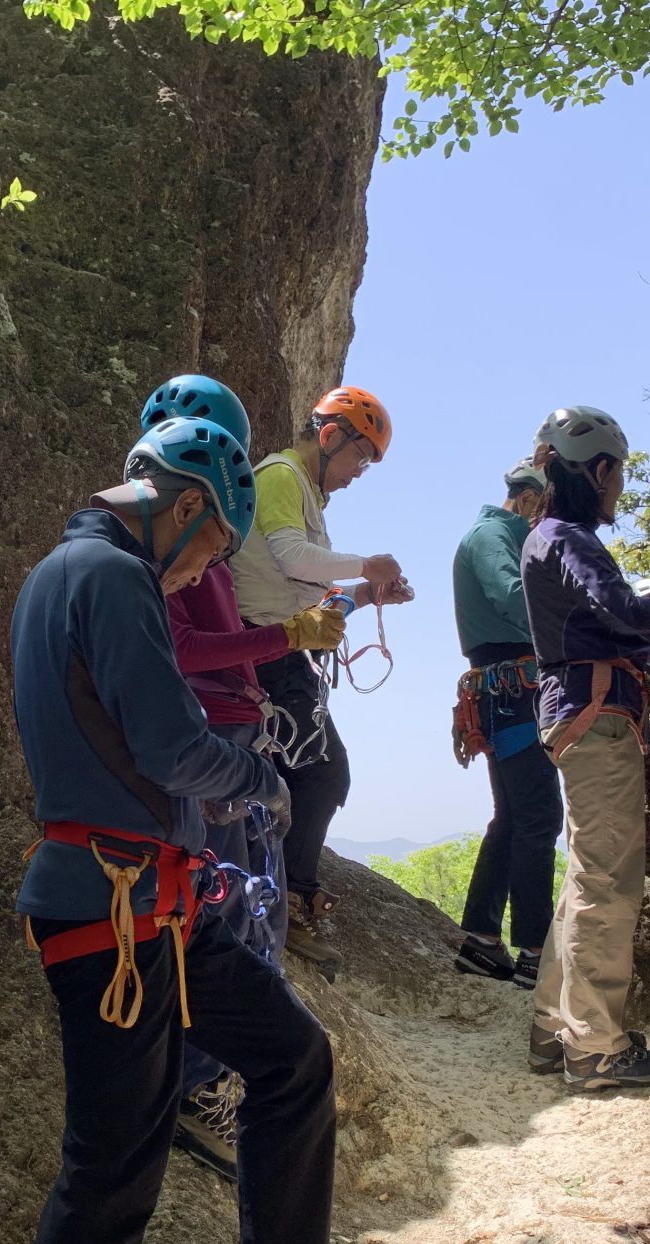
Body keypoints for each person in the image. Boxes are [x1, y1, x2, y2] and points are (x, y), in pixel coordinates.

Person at [3, 415, 390, 1244]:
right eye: (217, 541)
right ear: (181, 511)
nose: (208, 567)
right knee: (111, 1174)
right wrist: (258, 782)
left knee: (290, 1054)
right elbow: (173, 743)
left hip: (152, 904)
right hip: (117, 916)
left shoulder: (62, 574)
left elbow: (128, 737)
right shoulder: (116, 577)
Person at [144, 376, 347, 1181]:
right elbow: (187, 654)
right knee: (221, 920)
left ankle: (222, 1076)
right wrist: (281, 638)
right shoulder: (161, 556)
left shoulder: (212, 553)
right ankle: (197, 1086)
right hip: (213, 738)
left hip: (236, 731)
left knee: (245, 911)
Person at [521, 409, 650, 1091]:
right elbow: (623, 608)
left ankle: (554, 1028)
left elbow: (602, 622)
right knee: (606, 882)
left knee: (584, 877)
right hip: (597, 722)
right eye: (618, 474)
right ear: (599, 470)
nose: (619, 488)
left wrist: (644, 659)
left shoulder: (547, 537)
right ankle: (597, 1047)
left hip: (580, 713)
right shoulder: (569, 538)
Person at [228, 385, 411, 974]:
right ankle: (289, 903)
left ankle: (281, 900)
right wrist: (368, 565)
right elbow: (288, 557)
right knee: (322, 776)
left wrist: (361, 593)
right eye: (360, 457)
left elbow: (301, 589)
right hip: (270, 658)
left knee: (303, 777)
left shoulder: (301, 489)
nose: (359, 473)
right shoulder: (281, 475)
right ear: (330, 435)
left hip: (278, 655)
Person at [451, 463, 562, 988]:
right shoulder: (495, 533)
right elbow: (510, 594)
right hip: (514, 694)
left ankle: (481, 940)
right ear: (531, 502)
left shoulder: (493, 532)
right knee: (539, 816)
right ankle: (536, 952)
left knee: (515, 818)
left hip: (503, 694)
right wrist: (578, 625)